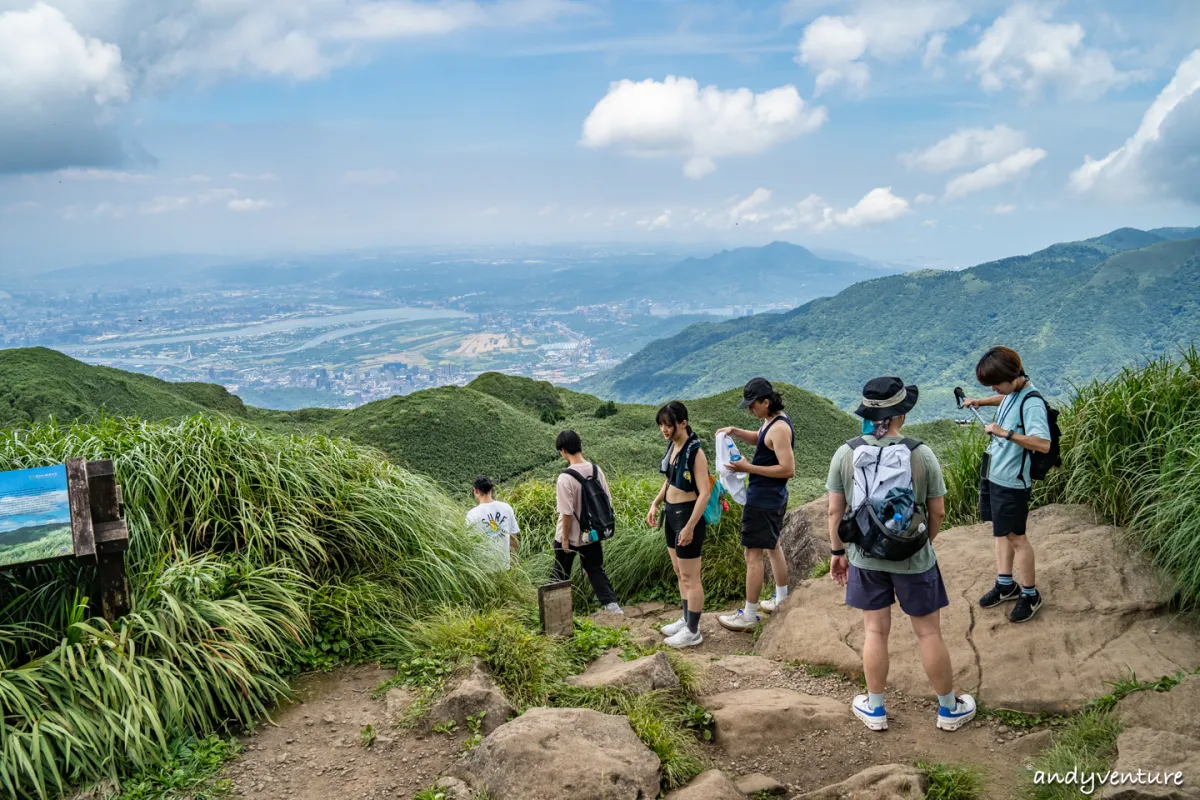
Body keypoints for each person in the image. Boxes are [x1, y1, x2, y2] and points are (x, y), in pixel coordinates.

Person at [828, 376, 976, 733]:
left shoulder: (846, 453)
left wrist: (838, 551)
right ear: (901, 414)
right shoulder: (920, 453)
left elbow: (835, 511)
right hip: (913, 558)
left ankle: (875, 709)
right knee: (928, 634)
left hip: (865, 557)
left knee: (875, 632)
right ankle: (948, 708)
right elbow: (937, 511)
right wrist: (922, 543)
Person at [963, 346, 1051, 623]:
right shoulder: (1013, 392)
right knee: (1001, 532)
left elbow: (1043, 444)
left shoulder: (1032, 401)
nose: (995, 389)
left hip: (1013, 480)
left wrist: (1006, 433)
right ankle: (1005, 585)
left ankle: (1030, 593)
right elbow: (1004, 400)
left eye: (996, 384)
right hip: (995, 472)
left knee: (1016, 537)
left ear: (1013, 376)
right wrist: (981, 401)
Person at [716, 377, 794, 632]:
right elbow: (760, 440)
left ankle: (749, 614)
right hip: (771, 496)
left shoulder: (779, 429)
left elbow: (787, 469)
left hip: (763, 498)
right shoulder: (773, 421)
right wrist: (735, 431)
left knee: (753, 555)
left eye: (753, 405)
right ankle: (781, 599)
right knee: (773, 546)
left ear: (766, 402)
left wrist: (747, 467)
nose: (750, 409)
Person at [646, 401, 710, 648]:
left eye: (668, 424)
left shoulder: (696, 452)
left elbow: (704, 493)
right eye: (661, 424)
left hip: (687, 515)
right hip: (671, 513)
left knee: (691, 576)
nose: (664, 429)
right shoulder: (673, 447)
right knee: (679, 571)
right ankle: (686, 619)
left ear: (683, 423)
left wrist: (690, 526)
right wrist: (655, 503)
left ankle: (693, 631)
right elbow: (670, 480)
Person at [551, 429, 622, 614]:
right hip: (592, 533)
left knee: (560, 574)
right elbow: (607, 500)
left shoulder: (565, 477)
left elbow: (566, 513)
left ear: (563, 450)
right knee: (595, 569)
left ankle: (557, 613)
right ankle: (613, 608)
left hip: (570, 536)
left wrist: (565, 539)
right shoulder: (597, 470)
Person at [465, 475, 520, 569]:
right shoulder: (506, 508)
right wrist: (513, 562)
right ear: (492, 490)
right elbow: (513, 538)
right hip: (505, 566)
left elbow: (470, 544)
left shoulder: (471, 514)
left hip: (483, 568)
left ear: (476, 491)